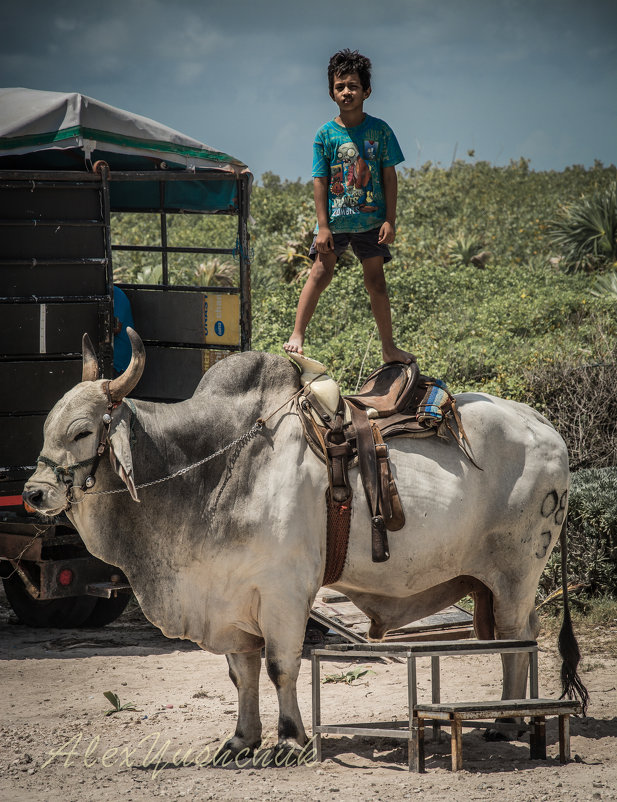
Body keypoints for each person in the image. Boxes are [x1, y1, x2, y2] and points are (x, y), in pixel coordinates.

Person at [284, 49, 415, 365]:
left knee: (377, 282)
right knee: (319, 272)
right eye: (340, 86)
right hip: (336, 222)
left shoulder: (380, 131)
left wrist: (390, 220)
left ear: (367, 91)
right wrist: (323, 226)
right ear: (331, 92)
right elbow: (320, 180)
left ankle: (388, 348)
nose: (346, 92)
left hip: (371, 222)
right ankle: (297, 335)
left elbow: (389, 175)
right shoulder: (325, 134)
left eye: (353, 86)